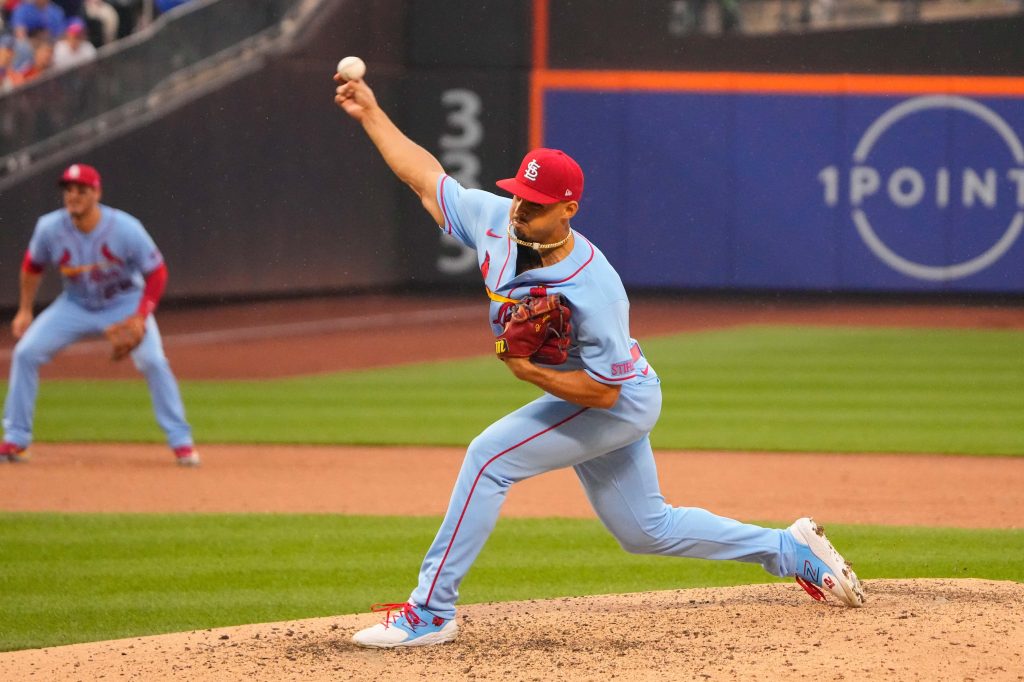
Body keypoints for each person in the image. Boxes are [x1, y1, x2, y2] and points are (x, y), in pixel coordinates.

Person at [333, 72, 865, 649]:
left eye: (534, 205)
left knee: (489, 459)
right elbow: (423, 174)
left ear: (568, 209)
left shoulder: (597, 286)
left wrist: (528, 370)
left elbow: (606, 394)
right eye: (518, 195)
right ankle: (787, 549)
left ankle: (430, 612)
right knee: (646, 530)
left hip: (619, 399)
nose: (519, 210)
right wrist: (370, 114)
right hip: (592, 394)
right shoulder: (495, 219)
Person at [1, 164, 200, 467]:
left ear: (97, 193)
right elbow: (32, 266)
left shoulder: (125, 228)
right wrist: (25, 309)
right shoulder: (49, 228)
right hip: (75, 305)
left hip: (124, 304)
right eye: (69, 190)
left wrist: (141, 315)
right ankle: (16, 439)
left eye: (81, 190)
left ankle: (181, 442)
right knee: (26, 352)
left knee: (153, 361)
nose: (73, 196)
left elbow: (157, 272)